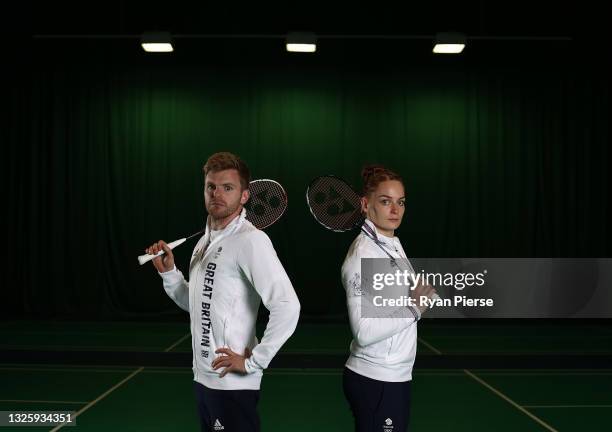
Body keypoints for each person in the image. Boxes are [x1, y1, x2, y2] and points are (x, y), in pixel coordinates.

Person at [145, 152, 300, 432]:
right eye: (211, 187)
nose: (217, 193)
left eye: (227, 188)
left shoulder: (252, 241)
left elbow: (288, 305)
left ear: (244, 196)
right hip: (204, 379)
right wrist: (169, 274)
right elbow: (198, 304)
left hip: (233, 385)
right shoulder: (203, 243)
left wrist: (254, 362)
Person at [341, 165, 436, 432]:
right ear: (365, 204)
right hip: (376, 378)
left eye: (400, 202)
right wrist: (414, 309)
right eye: (385, 202)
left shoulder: (390, 242)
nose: (395, 210)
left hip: (394, 376)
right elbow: (364, 332)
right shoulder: (364, 255)